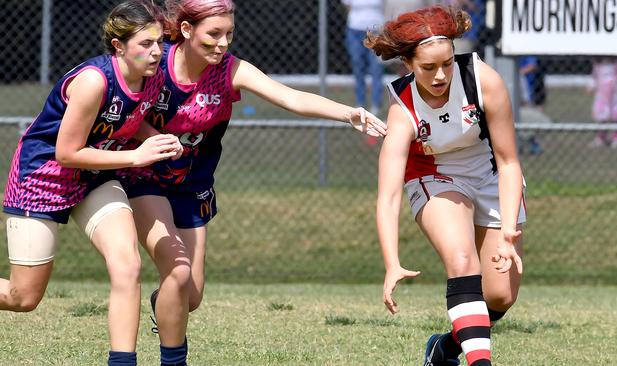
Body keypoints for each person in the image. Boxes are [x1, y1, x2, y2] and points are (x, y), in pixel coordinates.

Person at [116, 1, 387, 365]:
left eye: (229, 33)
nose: (223, 43)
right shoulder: (155, 62)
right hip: (145, 177)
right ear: (185, 31)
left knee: (190, 295)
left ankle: (164, 301)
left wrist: (348, 113)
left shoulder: (229, 70)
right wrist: (154, 138)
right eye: (213, 34)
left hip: (192, 183)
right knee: (178, 273)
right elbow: (121, 108)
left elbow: (289, 96)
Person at [0, 2, 181, 365]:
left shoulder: (152, 75)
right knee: (23, 297)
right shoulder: (93, 81)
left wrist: (157, 140)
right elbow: (66, 153)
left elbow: (125, 122)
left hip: (96, 176)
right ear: (118, 47)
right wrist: (135, 156)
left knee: (127, 265)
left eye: (159, 42)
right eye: (145, 44)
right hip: (43, 177)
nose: (156, 52)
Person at [365, 5, 525, 366]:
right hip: (434, 175)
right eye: (427, 67)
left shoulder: (484, 80)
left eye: (447, 63)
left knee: (499, 296)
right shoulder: (402, 106)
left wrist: (509, 230)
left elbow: (509, 161)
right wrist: (392, 262)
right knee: (462, 259)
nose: (440, 75)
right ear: (407, 63)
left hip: (489, 173)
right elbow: (388, 196)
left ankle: (445, 348)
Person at [342, 0, 385, 116]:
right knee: (358, 67)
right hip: (355, 30)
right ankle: (360, 103)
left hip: (376, 31)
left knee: (376, 68)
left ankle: (376, 104)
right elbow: (348, 6)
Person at [587, 57, 617, 148]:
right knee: (602, 118)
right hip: (602, 96)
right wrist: (591, 86)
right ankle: (601, 138)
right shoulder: (597, 67)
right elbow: (594, 78)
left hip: (615, 95)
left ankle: (616, 138)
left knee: (615, 118)